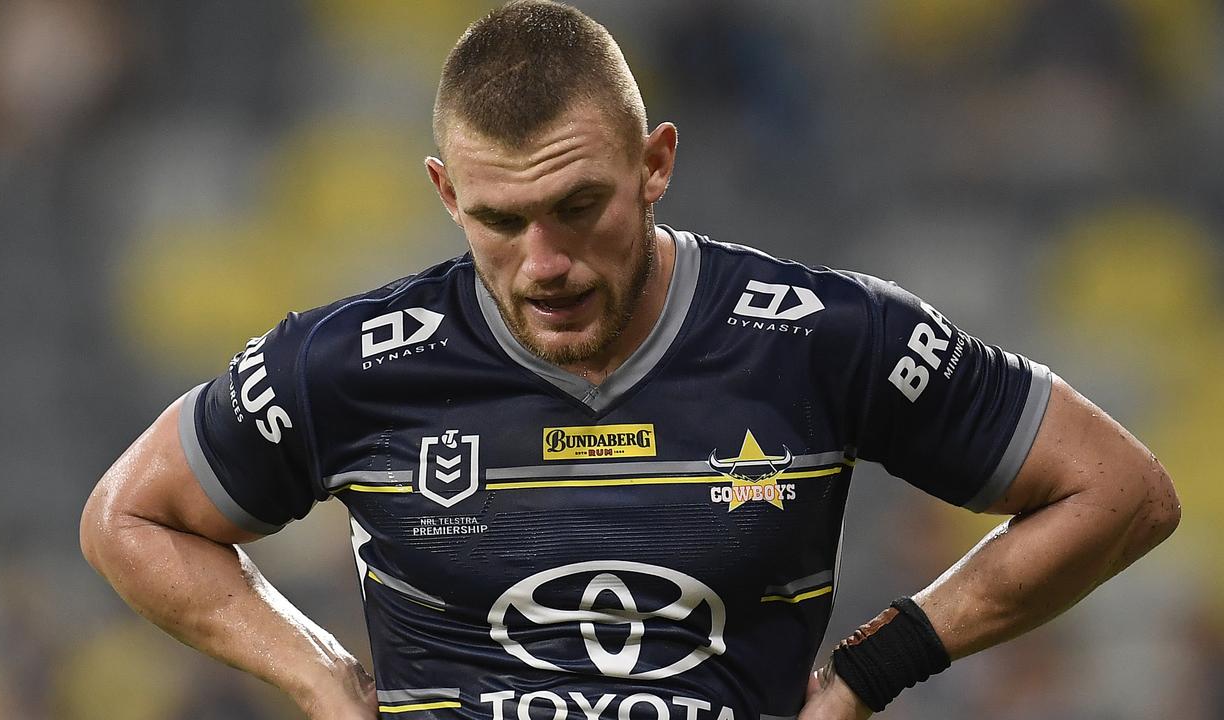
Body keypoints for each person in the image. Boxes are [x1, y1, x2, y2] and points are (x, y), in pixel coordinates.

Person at [80, 2, 1180, 719]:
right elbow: (127, 518)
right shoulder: (352, 360)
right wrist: (317, 678)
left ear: (654, 164)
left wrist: (871, 671)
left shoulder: (818, 335)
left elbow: (1118, 492)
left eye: (576, 206)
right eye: (498, 220)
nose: (542, 261)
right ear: (443, 193)